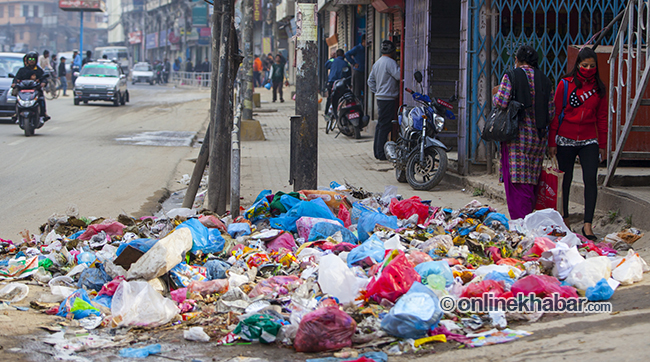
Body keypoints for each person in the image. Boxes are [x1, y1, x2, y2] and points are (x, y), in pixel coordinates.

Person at [548, 47, 607, 240]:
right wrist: (552, 141)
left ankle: (588, 225)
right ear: (577, 65)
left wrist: (603, 144)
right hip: (565, 138)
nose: (588, 69)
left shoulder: (599, 89)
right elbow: (556, 113)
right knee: (565, 180)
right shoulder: (565, 85)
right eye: (584, 65)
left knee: (591, 179)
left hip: (589, 139)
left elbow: (602, 118)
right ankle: (564, 219)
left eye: (592, 66)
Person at [492, 44, 553, 220]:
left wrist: (496, 94)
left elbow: (501, 102)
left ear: (517, 60)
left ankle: (521, 221)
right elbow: (551, 112)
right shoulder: (545, 79)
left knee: (518, 182)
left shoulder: (511, 75)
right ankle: (528, 218)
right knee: (531, 179)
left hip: (516, 138)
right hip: (537, 139)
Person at [367, 40, 400, 160]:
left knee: (380, 125)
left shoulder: (377, 63)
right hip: (388, 98)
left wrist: (378, 91)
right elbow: (399, 76)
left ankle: (377, 151)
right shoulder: (390, 63)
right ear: (392, 51)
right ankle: (380, 154)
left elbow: (370, 81)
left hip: (381, 98)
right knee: (385, 126)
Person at [14, 51, 49, 122]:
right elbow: (16, 78)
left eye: (33, 59)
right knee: (17, 99)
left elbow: (44, 78)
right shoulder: (22, 70)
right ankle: (16, 113)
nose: (31, 61)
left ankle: (43, 113)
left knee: (41, 98)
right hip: (23, 91)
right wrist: (14, 83)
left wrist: (43, 83)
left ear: (36, 60)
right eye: (30, 59)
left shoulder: (39, 70)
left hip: (35, 90)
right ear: (27, 60)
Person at [324, 49, 350, 118]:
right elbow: (349, 74)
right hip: (341, 84)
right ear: (343, 55)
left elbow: (326, 65)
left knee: (330, 98)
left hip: (332, 83)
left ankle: (326, 114)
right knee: (341, 98)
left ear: (336, 55)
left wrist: (331, 58)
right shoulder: (345, 63)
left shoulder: (332, 60)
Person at [345, 34, 366, 102]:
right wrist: (353, 63)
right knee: (357, 91)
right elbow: (347, 54)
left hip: (366, 72)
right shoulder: (357, 48)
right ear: (363, 40)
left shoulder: (367, 49)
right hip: (358, 72)